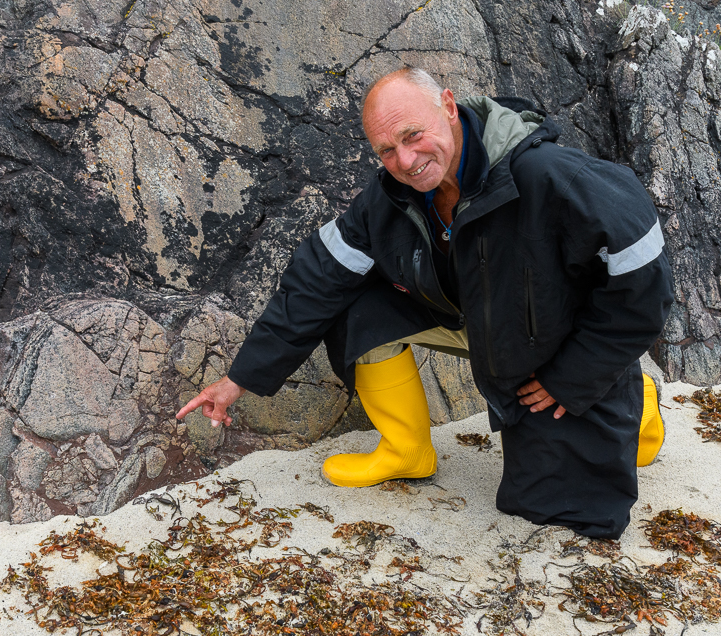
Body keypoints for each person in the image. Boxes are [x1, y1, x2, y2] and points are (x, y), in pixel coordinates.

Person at [176, 67, 673, 539]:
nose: (406, 161)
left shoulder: (549, 174)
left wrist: (579, 375)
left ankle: (639, 404)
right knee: (353, 307)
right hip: (472, 320)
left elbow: (645, 278)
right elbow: (317, 278)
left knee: (553, 508)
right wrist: (239, 378)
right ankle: (406, 449)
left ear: (450, 107)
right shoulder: (390, 195)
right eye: (387, 150)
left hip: (552, 341)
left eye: (413, 135)